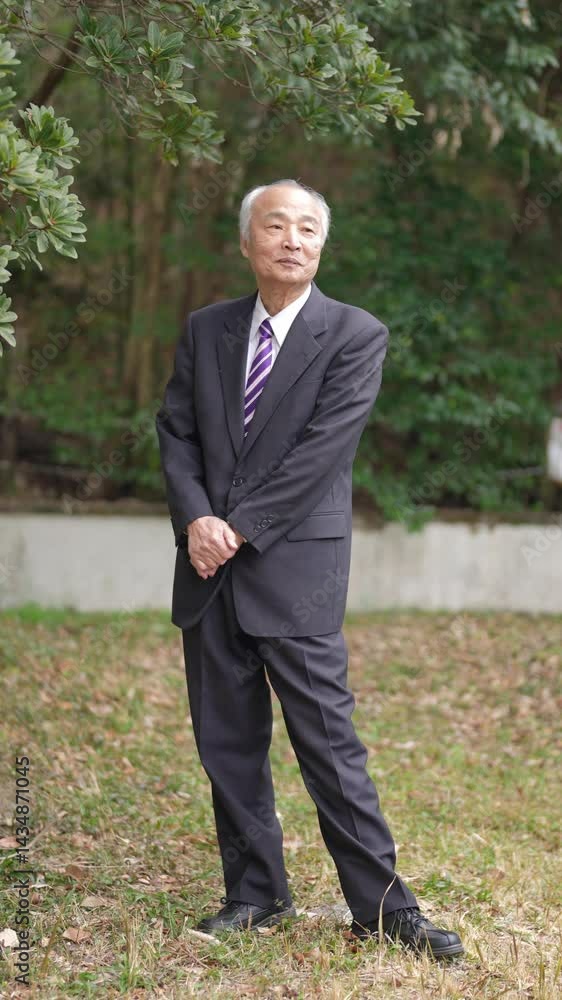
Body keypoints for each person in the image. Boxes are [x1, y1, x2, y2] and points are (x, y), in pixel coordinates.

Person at [155, 179, 464, 960]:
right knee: (227, 743)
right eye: (276, 226)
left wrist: (236, 528)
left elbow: (321, 452)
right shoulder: (207, 329)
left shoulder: (354, 334)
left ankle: (385, 910)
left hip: (297, 573)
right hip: (208, 568)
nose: (292, 239)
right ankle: (255, 893)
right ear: (247, 242)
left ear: (322, 244)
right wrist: (196, 520)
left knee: (329, 744)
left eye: (308, 229)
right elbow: (176, 432)